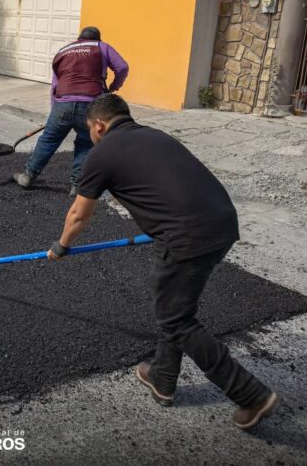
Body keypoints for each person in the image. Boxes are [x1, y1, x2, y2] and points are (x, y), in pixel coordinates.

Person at [47, 94, 278, 430]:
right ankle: (163, 379)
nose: (92, 136)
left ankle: (250, 394)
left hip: (185, 236)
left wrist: (61, 246)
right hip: (223, 224)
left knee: (175, 320)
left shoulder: (102, 153)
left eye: (91, 130)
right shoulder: (156, 135)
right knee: (175, 307)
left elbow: (79, 214)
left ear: (99, 125)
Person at [14, 26, 129, 197]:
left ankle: (28, 176)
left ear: (79, 39)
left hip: (63, 103)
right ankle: (77, 186)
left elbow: (55, 84)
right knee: (85, 143)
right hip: (90, 105)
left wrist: (56, 110)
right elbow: (122, 67)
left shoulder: (63, 51)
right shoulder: (102, 47)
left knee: (48, 140)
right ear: (97, 38)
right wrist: (113, 86)